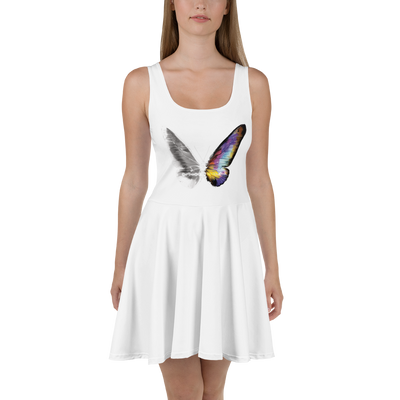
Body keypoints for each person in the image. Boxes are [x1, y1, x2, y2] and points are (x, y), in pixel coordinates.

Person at [107, 1, 286, 399]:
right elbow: (133, 179)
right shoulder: (140, 81)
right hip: (166, 246)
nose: (200, 4)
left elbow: (260, 180)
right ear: (171, 6)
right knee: (184, 388)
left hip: (228, 244)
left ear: (227, 9)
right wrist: (119, 267)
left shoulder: (254, 83)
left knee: (214, 389)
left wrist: (272, 268)